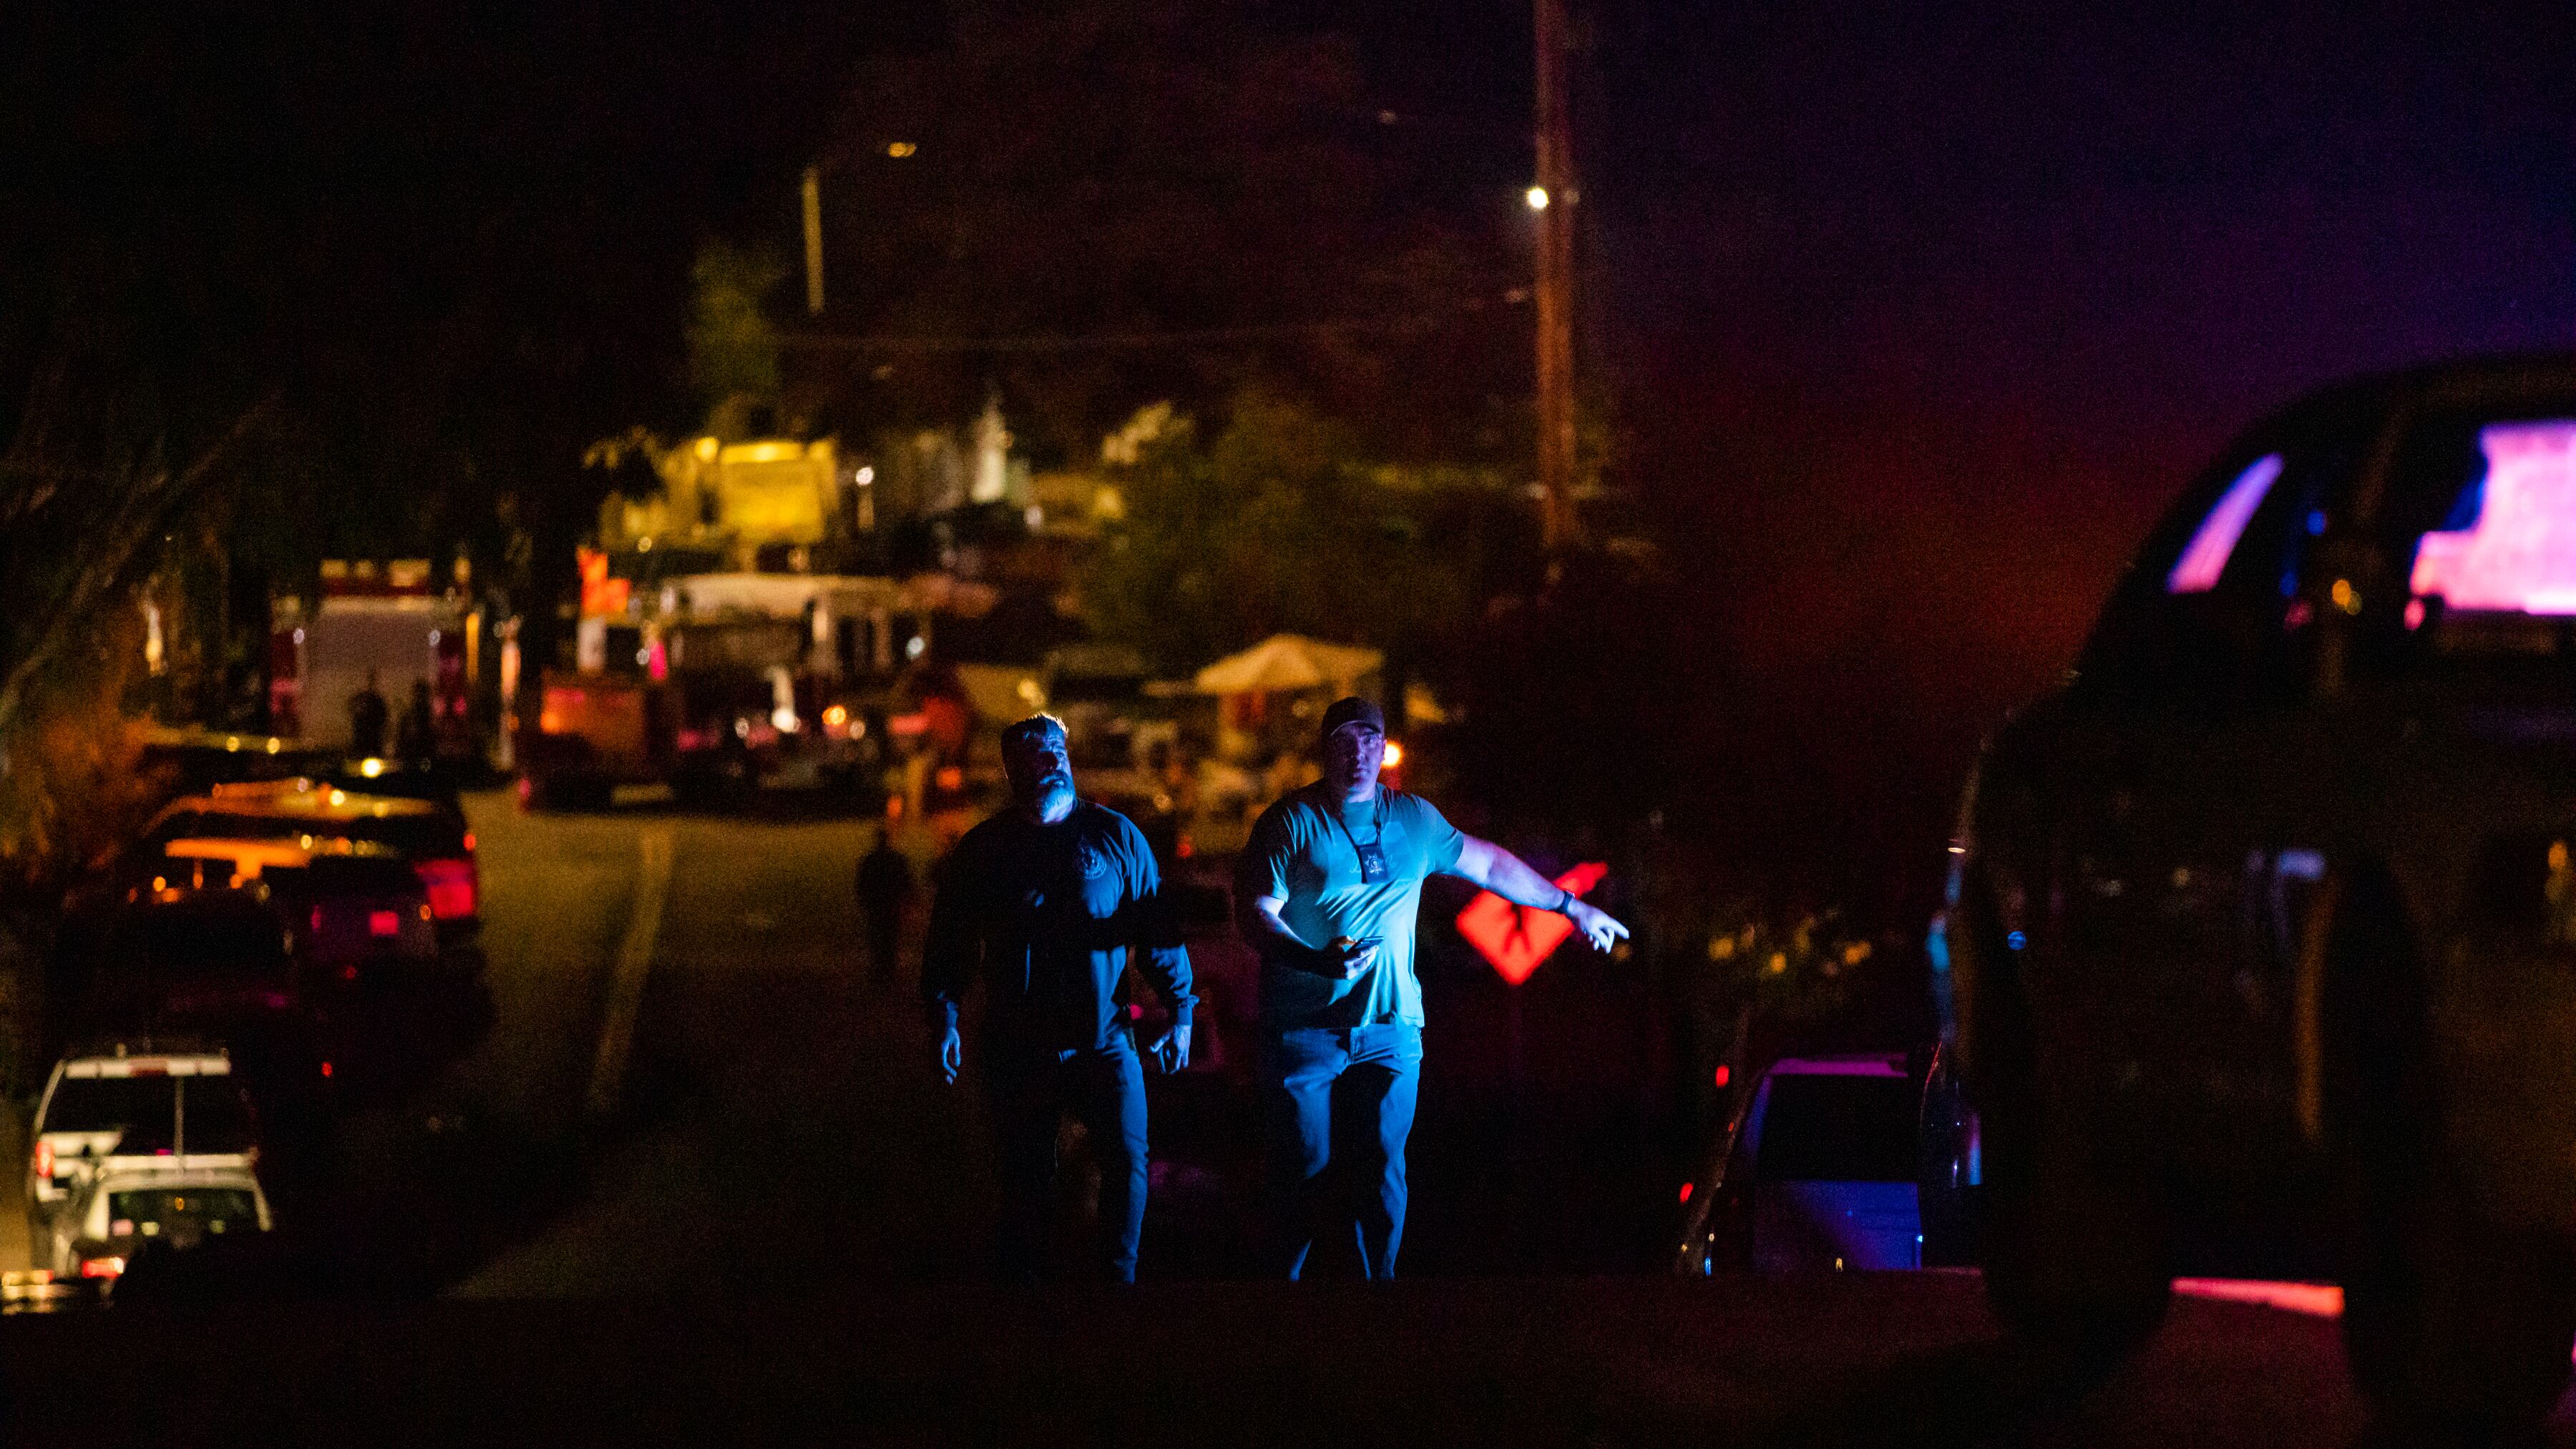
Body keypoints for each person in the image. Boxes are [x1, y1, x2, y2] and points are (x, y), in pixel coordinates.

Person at [1236, 696, 1626, 1279]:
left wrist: (1571, 907)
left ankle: (1381, 1295)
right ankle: (1278, 1299)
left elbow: (1489, 865)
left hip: (1391, 1023)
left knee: (1383, 1170)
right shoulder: (1290, 821)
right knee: (1303, 1169)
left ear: (1383, 749)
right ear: (1326, 750)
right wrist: (1315, 959)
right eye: (1344, 741)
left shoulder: (1414, 820)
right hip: (1305, 1026)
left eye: (1369, 740)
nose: (1357, 754)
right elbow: (1254, 914)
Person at [922, 714, 1196, 1283]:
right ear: (1011, 770)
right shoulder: (985, 850)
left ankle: (1118, 1280)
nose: (1049, 762)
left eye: (1056, 751)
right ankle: (1030, 1288)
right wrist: (944, 1016)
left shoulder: (1116, 837)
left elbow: (1156, 928)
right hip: (1019, 1045)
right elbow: (951, 942)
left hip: (1105, 1040)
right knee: (1026, 1175)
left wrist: (1181, 1009)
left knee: (1127, 1160)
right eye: (1033, 754)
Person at [854, 829, 914, 982]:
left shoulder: (870, 860)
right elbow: (906, 881)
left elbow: (862, 884)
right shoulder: (896, 859)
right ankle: (889, 968)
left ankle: (879, 968)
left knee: (876, 936)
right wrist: (907, 899)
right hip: (892, 904)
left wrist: (864, 900)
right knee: (891, 936)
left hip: (875, 905)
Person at [347, 669, 389, 758]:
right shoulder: (362, 699)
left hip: (374, 742)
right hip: (363, 743)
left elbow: (384, 720)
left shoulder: (377, 700)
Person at [394, 678, 436, 761]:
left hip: (421, 756)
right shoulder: (409, 717)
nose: (420, 698)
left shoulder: (430, 717)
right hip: (412, 756)